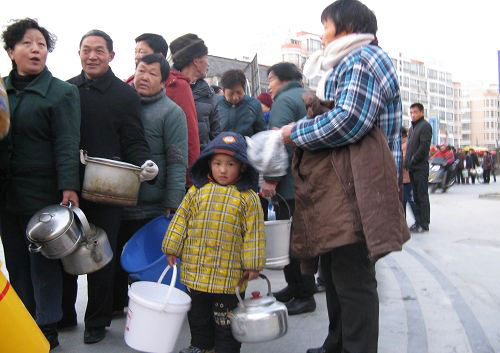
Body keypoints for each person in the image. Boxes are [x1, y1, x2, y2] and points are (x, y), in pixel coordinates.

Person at [281, 1, 409, 352]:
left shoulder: (364, 58)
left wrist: (295, 133)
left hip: (358, 186)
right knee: (336, 275)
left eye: (325, 26)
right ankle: (336, 344)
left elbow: (350, 120)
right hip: (342, 185)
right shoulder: (346, 61)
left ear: (347, 26)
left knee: (353, 277)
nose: (322, 35)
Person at [61, 29, 158, 344]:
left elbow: (133, 139)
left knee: (101, 256)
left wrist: (145, 164)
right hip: (68, 187)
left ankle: (97, 321)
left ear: (111, 55)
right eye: (86, 49)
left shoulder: (124, 94)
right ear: (79, 53)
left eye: (99, 50)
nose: (92, 56)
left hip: (109, 188)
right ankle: (64, 313)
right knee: (65, 251)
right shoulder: (67, 90)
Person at [0, 18, 81, 349]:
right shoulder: (1, 90)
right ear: (10, 51)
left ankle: (47, 327)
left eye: (42, 44)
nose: (36, 49)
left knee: (44, 264)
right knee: (16, 262)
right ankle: (23, 323)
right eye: (27, 43)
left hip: (43, 193)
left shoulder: (62, 93)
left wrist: (69, 187)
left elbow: (67, 142)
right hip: (6, 192)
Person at [162, 131, 265, 353]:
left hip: (229, 278)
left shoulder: (248, 198)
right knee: (198, 317)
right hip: (196, 272)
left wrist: (253, 264)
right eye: (217, 163)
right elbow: (180, 220)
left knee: (226, 321)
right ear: (209, 163)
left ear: (243, 167)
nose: (223, 170)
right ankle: (200, 346)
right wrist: (172, 247)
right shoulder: (196, 192)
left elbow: (254, 234)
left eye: (230, 164)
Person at [113, 53, 188, 313]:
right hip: (117, 198)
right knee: (115, 262)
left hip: (151, 204)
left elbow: (178, 159)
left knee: (145, 260)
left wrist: (172, 200)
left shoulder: (171, 113)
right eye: (141, 70)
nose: (144, 77)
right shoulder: (121, 103)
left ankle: (149, 309)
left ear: (164, 81)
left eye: (152, 73)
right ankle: (115, 306)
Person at [260, 62, 317, 316]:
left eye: (270, 80)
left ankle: (303, 295)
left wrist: (270, 179)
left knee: (291, 242)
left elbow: (276, 144)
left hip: (290, 185)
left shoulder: (283, 101)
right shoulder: (308, 96)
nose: (269, 86)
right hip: (309, 180)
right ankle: (296, 287)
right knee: (303, 238)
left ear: (280, 79)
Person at [126, 33, 200, 173]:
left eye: (142, 52)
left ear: (160, 56)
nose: (137, 56)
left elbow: (189, 133)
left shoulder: (177, 85)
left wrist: (191, 176)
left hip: (164, 171)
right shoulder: (127, 84)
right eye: (135, 51)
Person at [170, 33, 220, 151]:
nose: (208, 63)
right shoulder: (166, 85)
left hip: (200, 163)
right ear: (196, 61)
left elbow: (215, 135)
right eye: (206, 57)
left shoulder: (208, 94)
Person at [405, 103, 432, 233]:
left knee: (422, 195)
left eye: (415, 112)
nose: (413, 114)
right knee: (415, 196)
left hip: (420, 167)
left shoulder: (425, 126)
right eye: (411, 112)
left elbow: (423, 148)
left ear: (421, 112)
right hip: (412, 168)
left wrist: (412, 161)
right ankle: (418, 221)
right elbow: (409, 148)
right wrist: (406, 163)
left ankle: (424, 223)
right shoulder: (412, 129)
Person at [216, 69, 266, 137]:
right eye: (231, 93)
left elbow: (261, 133)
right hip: (219, 146)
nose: (235, 97)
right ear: (223, 91)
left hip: (246, 146)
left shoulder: (254, 104)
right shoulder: (215, 104)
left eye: (239, 92)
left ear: (244, 89)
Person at [402, 127, 417, 218]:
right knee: (406, 200)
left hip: (406, 177)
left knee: (406, 200)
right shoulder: (405, 144)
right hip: (405, 177)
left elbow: (404, 160)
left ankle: (417, 219)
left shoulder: (405, 145)